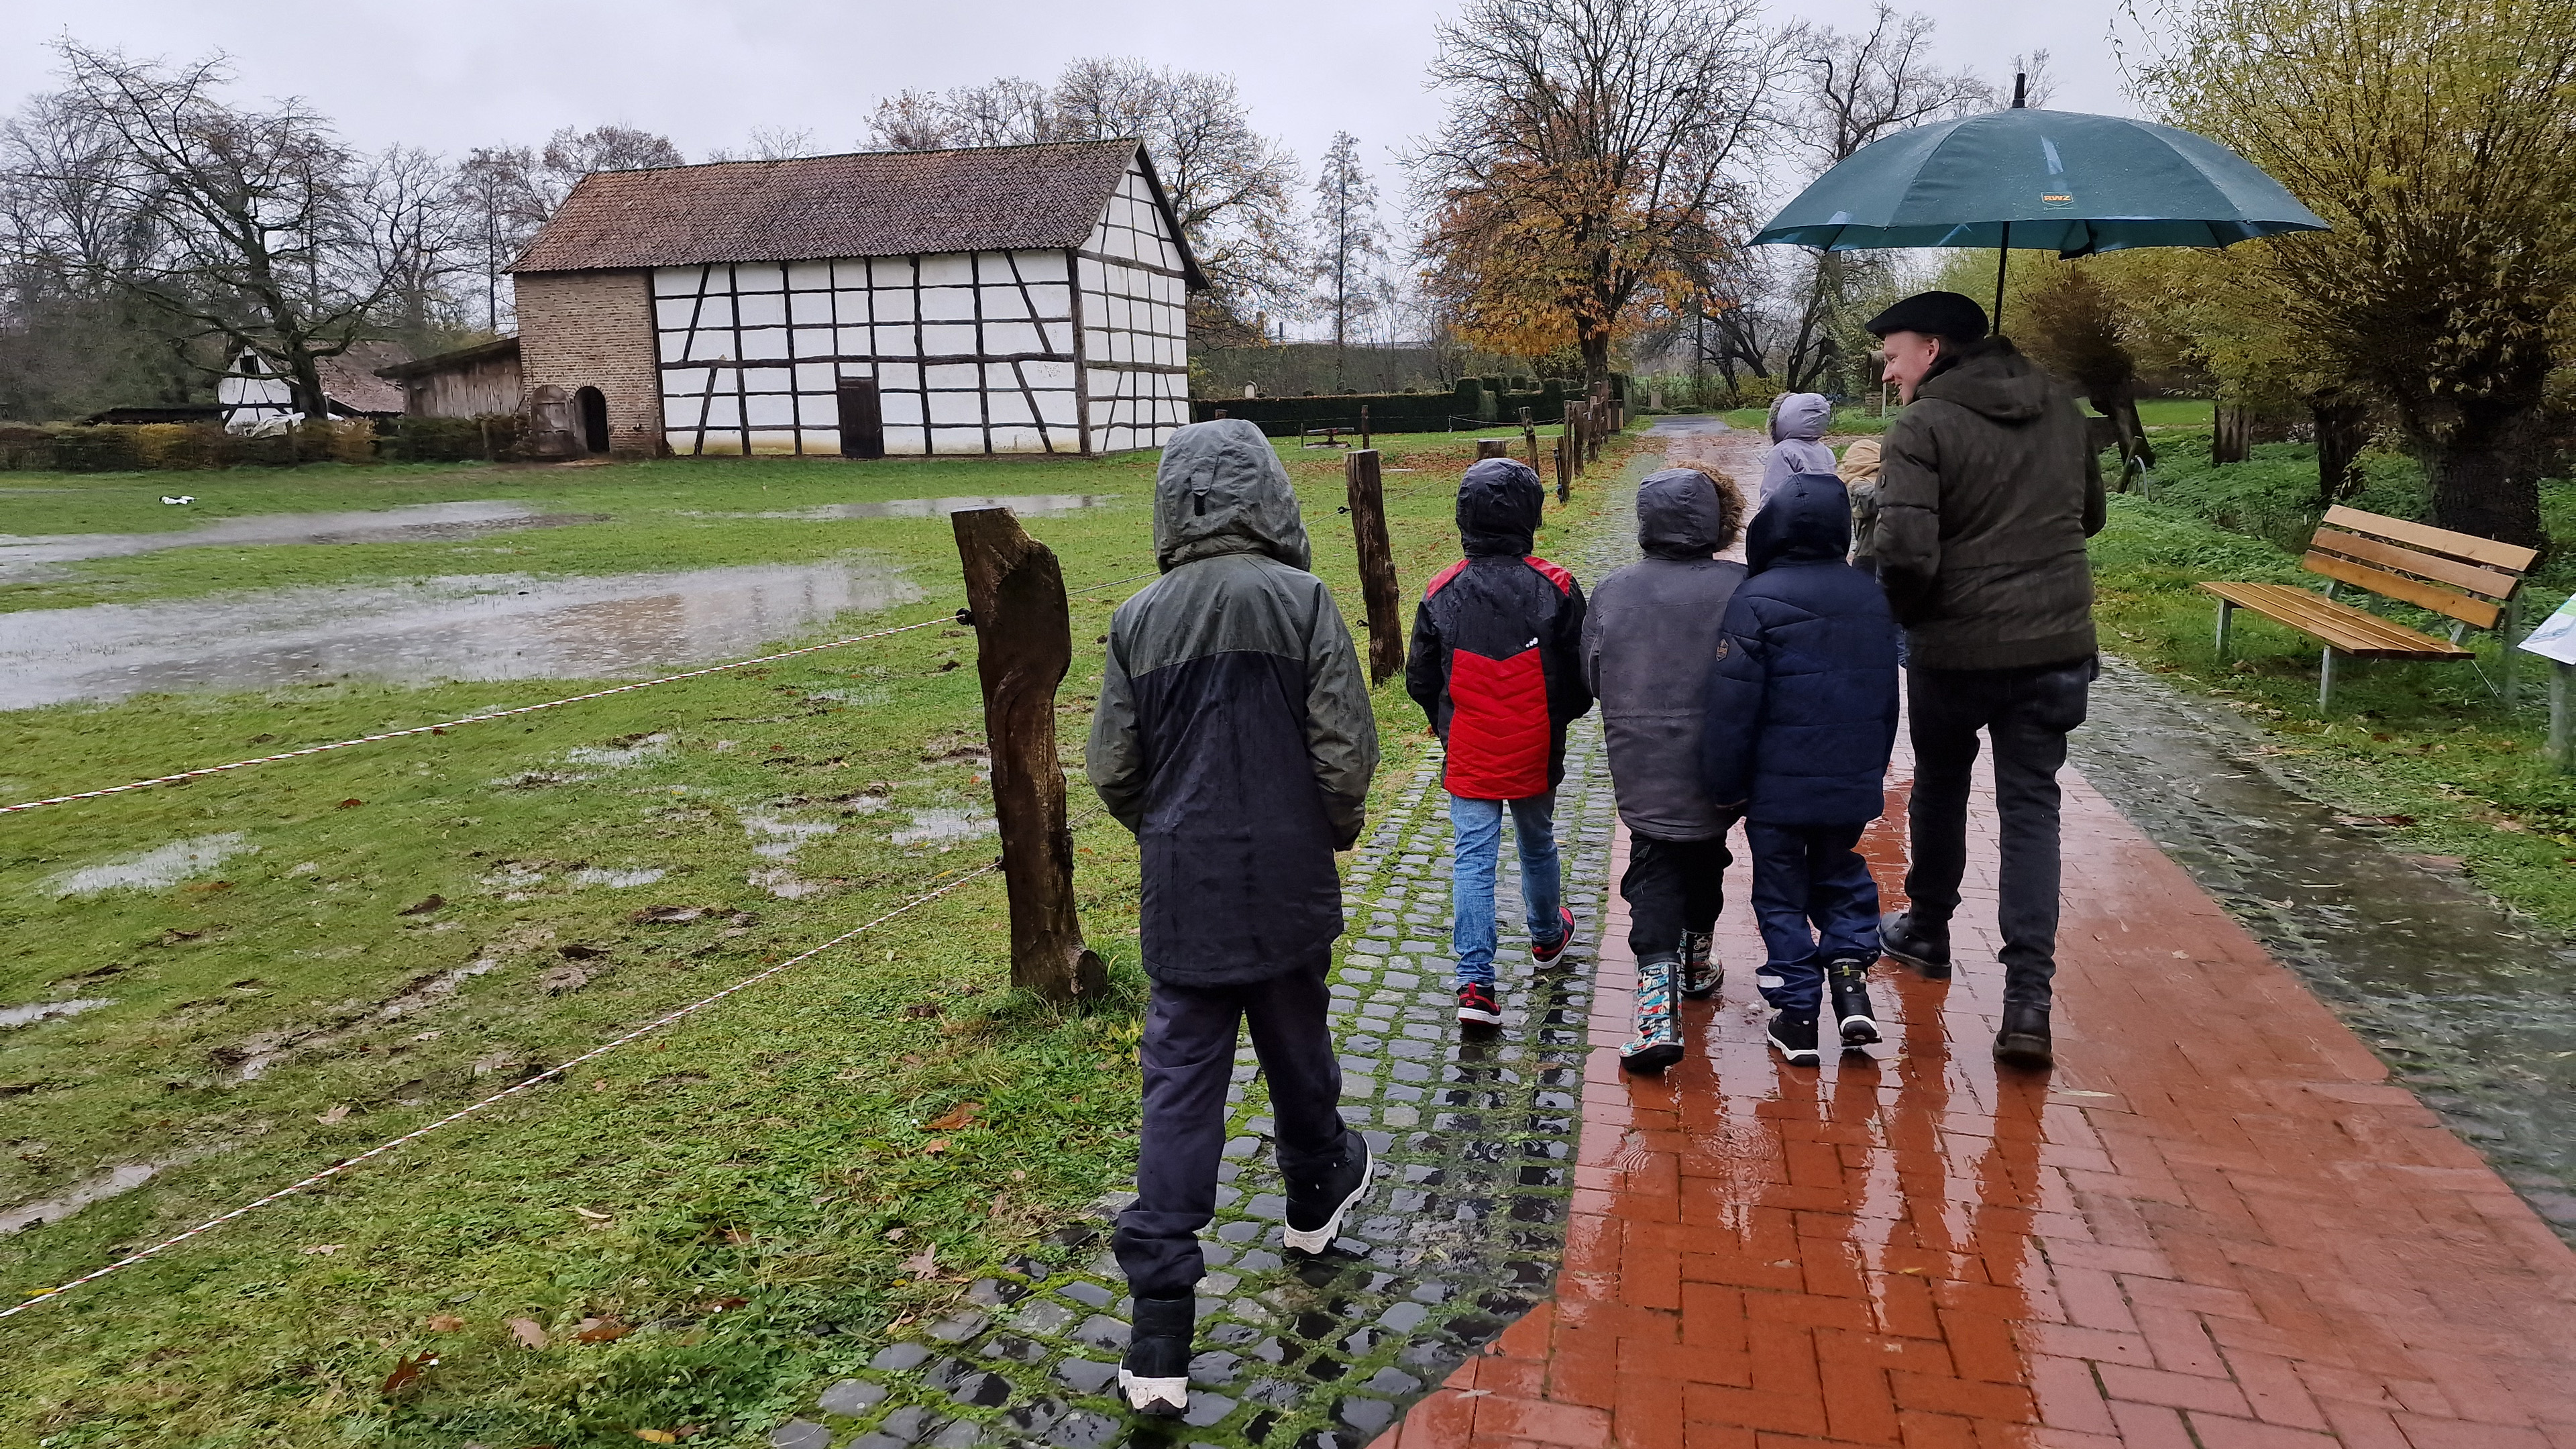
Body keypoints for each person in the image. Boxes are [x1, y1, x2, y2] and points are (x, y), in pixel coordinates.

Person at [1087, 419, 1381, 1417]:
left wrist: (1167, 827)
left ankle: (1160, 1331)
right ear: (1271, 497)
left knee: (1179, 1090)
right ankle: (1314, 1194)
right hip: (1289, 879)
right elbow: (1344, 747)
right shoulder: (1303, 602)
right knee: (1299, 1049)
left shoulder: (1137, 619)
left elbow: (1113, 771)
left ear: (1173, 502)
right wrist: (1330, 826)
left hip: (1185, 891)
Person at [1864, 291, 2106, 1068]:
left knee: (1941, 784)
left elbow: (1904, 551)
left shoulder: (1924, 425)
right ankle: (2028, 1000)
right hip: (2057, 645)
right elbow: (2091, 516)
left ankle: (1928, 930)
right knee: (2033, 810)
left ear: (1933, 349)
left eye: (1894, 355)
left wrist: (1900, 618)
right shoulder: (2064, 411)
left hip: (1958, 650)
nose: (1890, 371)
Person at [1699, 473, 1901, 1065]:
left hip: (1776, 788)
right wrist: (1871, 768)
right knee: (1840, 873)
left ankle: (1797, 1010)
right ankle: (1849, 975)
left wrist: (1725, 785)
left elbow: (1733, 705)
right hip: (1848, 780)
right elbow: (1886, 698)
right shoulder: (1871, 597)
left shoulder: (1755, 599)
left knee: (1781, 893)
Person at [1405, 456, 1593, 1026]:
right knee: (1537, 842)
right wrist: (1556, 719)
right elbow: (1580, 674)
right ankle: (1545, 935)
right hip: (1536, 744)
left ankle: (1476, 984)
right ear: (1530, 515)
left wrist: (1445, 724)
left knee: (1472, 857)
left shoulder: (1442, 590)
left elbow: (1420, 676)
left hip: (1469, 745)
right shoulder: (1556, 586)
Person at [1581, 465, 1750, 1071]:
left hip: (1644, 755)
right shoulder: (1745, 585)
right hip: (1723, 760)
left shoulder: (1615, 590)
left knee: (1653, 868)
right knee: (1706, 854)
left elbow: (1592, 675)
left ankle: (1657, 1008)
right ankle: (1698, 960)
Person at [1758, 392, 1837, 515]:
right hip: (1825, 521)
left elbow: (1772, 497)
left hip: (1794, 524)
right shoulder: (1826, 452)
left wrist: (1760, 526)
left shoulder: (1782, 452)